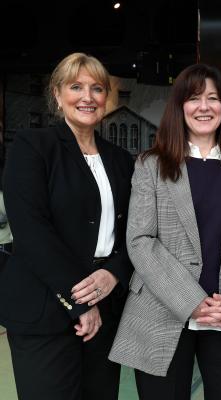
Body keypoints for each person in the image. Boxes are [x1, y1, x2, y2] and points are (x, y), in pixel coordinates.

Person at [109, 63, 221, 400]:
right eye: (193, 98)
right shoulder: (151, 164)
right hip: (160, 313)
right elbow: (139, 240)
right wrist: (191, 301)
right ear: (179, 107)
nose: (204, 106)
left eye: (212, 98)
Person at [0, 52, 134, 400]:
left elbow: (134, 231)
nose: (87, 97)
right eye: (76, 87)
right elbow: (31, 232)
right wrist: (81, 302)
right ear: (57, 95)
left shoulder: (120, 160)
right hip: (44, 309)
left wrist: (114, 274)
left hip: (105, 307)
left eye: (97, 89)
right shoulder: (32, 147)